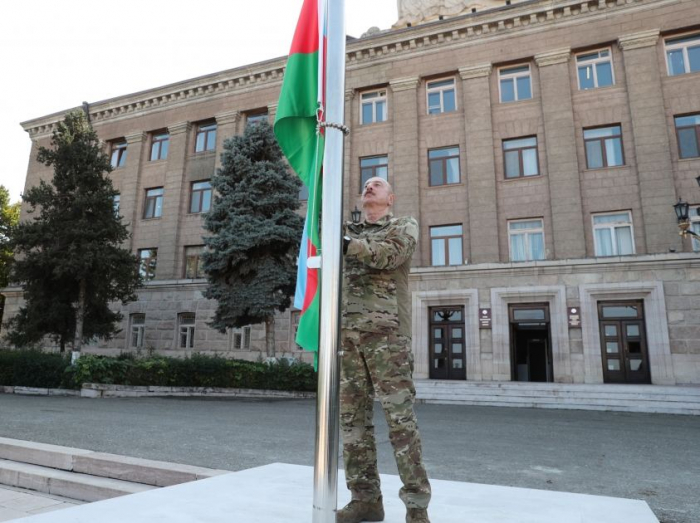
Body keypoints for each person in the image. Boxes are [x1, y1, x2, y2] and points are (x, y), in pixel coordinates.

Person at [337, 177, 431, 523]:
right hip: (347, 338)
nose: (369, 187)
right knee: (353, 423)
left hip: (387, 337)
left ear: (390, 198)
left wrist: (348, 243)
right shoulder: (345, 230)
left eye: (377, 184)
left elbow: (391, 255)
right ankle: (365, 500)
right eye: (365, 184)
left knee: (400, 423)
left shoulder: (403, 225)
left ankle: (417, 508)